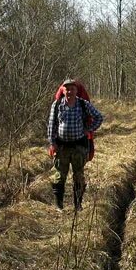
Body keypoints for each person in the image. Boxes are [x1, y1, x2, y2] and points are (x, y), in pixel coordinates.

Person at [46, 78, 104, 211]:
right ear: (63, 90)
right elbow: (51, 124)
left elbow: (99, 117)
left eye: (72, 89)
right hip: (62, 147)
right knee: (59, 176)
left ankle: (78, 205)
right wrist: (52, 143)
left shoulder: (83, 104)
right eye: (67, 89)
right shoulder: (57, 105)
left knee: (79, 175)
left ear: (76, 90)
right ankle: (59, 205)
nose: (69, 91)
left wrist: (88, 129)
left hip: (79, 147)